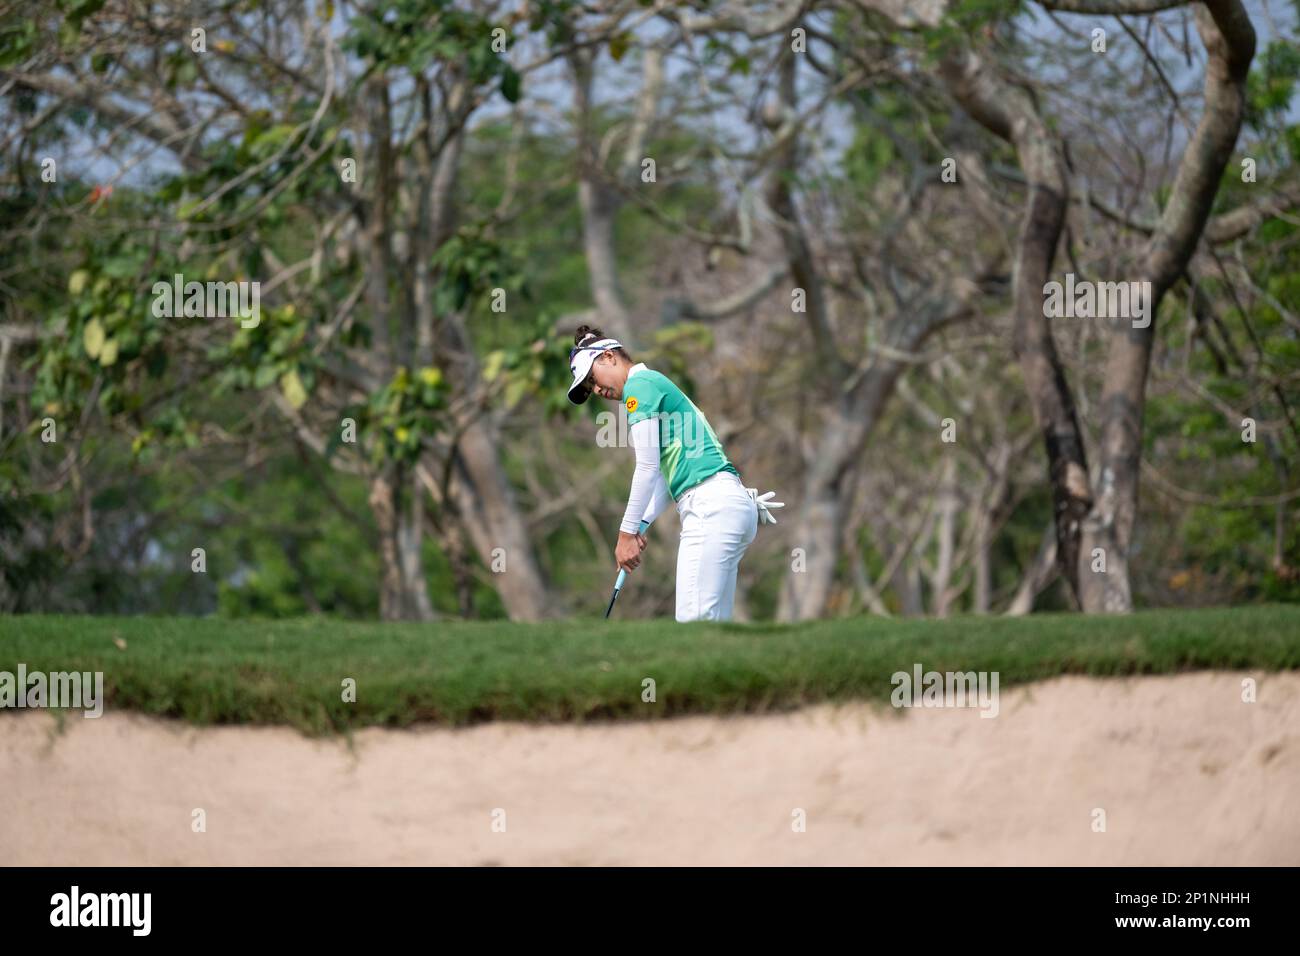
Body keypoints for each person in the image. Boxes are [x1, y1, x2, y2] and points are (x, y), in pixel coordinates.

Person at [565, 325, 781, 621]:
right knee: (712, 632)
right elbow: (664, 479)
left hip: (710, 508)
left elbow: (647, 467)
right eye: (590, 389)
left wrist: (626, 535)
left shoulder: (638, 387)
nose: (598, 391)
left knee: (692, 625)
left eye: (592, 379)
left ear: (609, 357)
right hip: (728, 505)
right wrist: (640, 524)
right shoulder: (653, 383)